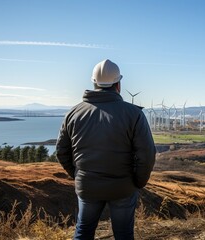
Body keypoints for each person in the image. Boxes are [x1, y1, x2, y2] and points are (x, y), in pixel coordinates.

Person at [56, 59, 156, 240]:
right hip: (123, 187)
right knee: (124, 234)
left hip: (87, 186)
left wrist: (79, 175)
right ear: (118, 84)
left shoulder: (73, 113)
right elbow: (147, 155)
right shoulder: (134, 114)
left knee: (83, 231)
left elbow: (62, 151)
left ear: (94, 82)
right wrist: (138, 182)